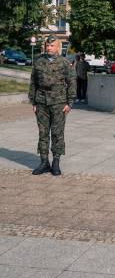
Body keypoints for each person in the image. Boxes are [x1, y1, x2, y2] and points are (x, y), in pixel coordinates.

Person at [29, 35, 76, 176]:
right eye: (47, 46)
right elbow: (33, 82)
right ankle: (44, 162)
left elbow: (72, 82)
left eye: (52, 46)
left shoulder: (64, 63)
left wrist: (70, 102)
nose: (48, 48)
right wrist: (33, 102)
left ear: (58, 47)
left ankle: (56, 162)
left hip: (59, 103)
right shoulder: (38, 61)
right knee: (43, 134)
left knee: (57, 133)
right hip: (41, 102)